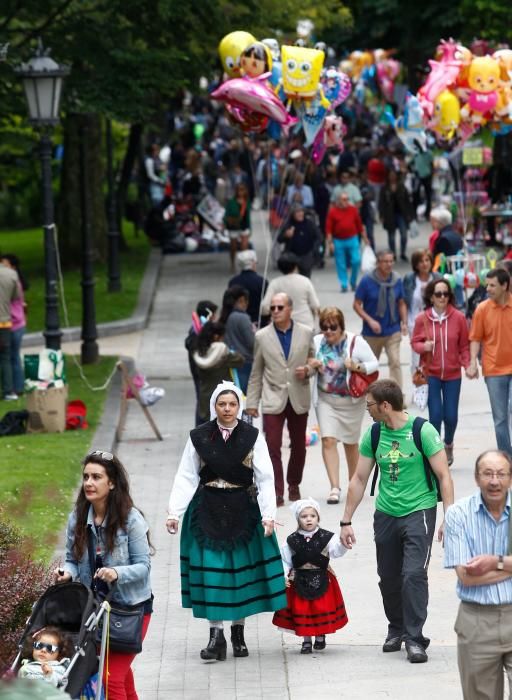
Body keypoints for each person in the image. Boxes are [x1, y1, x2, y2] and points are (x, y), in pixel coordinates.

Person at [166, 382, 287, 661]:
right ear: (214, 407)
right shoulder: (199, 436)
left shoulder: (251, 436)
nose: (228, 409)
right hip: (207, 508)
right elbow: (186, 474)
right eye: (222, 404)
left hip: (243, 509)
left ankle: (238, 633)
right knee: (212, 573)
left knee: (240, 573)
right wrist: (174, 511)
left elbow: (266, 477)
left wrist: (269, 514)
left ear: (239, 407)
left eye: (232, 404)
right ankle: (215, 636)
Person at [340, 379, 454, 664]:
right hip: (386, 513)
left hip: (419, 511)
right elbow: (359, 478)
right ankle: (397, 628)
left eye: (370, 405)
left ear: (385, 405)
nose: (367, 410)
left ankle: (415, 639)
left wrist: (448, 516)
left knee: (413, 575)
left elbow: (444, 476)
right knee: (389, 577)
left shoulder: (422, 431)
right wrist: (345, 520)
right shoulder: (374, 434)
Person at [53, 450, 153, 699]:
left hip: (130, 610)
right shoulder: (77, 518)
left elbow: (143, 567)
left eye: (96, 477)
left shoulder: (131, 520)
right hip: (96, 612)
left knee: (111, 676)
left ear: (111, 483)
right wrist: (67, 573)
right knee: (121, 675)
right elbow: (72, 560)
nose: (88, 482)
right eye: (86, 476)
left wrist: (116, 573)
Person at [444, 450, 512, 699]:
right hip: (477, 620)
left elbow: (481, 571)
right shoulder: (459, 514)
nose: (495, 481)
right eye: (488, 474)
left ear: (510, 478)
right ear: (476, 478)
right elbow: (466, 576)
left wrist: (496, 561)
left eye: (501, 474)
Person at [246, 293, 315, 506]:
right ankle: (276, 491)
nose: (275, 311)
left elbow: (314, 358)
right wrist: (251, 403)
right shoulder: (262, 336)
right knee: (272, 446)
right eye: (272, 308)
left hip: (298, 394)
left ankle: (294, 483)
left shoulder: (305, 332)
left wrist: (309, 369)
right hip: (272, 397)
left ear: (290, 309)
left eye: (279, 307)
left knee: (299, 446)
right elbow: (256, 371)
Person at [310, 306, 378, 504]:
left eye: (332, 327)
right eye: (324, 327)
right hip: (326, 400)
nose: (328, 331)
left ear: (341, 327)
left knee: (350, 443)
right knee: (328, 440)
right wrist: (313, 364)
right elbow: (308, 360)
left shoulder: (355, 342)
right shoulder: (317, 342)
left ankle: (353, 483)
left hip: (351, 402)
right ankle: (334, 487)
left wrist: (356, 366)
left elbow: (374, 363)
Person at [272, 498, 348, 653]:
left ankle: (320, 636)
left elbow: (335, 552)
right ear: (298, 519)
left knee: (320, 608)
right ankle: (306, 641)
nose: (308, 519)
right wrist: (284, 575)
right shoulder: (291, 540)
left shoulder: (327, 537)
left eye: (312, 516)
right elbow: (286, 560)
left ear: (318, 518)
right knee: (303, 611)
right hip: (299, 580)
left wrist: (343, 545)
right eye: (304, 516)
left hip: (322, 578)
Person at [411, 279, 470, 466]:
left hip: (453, 374)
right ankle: (435, 452)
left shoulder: (459, 318)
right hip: (432, 374)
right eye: (438, 294)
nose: (442, 297)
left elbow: (464, 346)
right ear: (431, 296)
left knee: (451, 416)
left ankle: (449, 443)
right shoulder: (422, 319)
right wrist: (424, 346)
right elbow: (414, 342)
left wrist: (468, 364)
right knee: (435, 416)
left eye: (446, 293)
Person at [467, 268, 512, 455]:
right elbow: (476, 338)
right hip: (493, 370)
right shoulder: (482, 309)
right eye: (487, 284)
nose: (488, 289)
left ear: (505, 285)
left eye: (493, 285)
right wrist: (472, 363)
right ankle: (507, 459)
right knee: (500, 418)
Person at [354, 250, 408, 389]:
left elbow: (401, 303)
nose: (389, 264)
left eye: (391, 261)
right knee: (371, 364)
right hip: (372, 333)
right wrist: (370, 320)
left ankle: (397, 396)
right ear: (378, 263)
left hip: (392, 329)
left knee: (395, 362)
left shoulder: (396, 280)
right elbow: (356, 305)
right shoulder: (367, 281)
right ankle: (368, 393)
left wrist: (404, 323)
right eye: (385, 261)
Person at [192, 321, 245, 424]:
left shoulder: (198, 352)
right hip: (223, 399)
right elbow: (240, 360)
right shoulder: (222, 352)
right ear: (216, 336)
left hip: (205, 400)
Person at [260, 253, 320, 331]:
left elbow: (264, 307)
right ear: (296, 266)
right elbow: (315, 305)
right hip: (305, 324)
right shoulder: (305, 281)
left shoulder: (275, 283)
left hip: (281, 326)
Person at [403, 250, 441, 371]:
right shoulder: (409, 278)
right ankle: (418, 383)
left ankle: (434, 380)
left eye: (427, 260)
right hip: (414, 322)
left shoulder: (437, 278)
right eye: (420, 261)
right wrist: (404, 322)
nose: (424, 264)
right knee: (417, 355)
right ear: (415, 265)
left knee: (436, 353)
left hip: (435, 321)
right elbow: (403, 301)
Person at [185, 300, 218, 426]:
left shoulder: (196, 331)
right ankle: (200, 432)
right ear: (208, 315)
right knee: (203, 403)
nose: (216, 318)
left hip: (199, 374)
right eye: (214, 315)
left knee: (202, 401)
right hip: (201, 374)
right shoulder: (197, 333)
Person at [220, 286, 255, 394]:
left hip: (230, 363)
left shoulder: (225, 316)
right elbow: (252, 343)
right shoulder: (242, 318)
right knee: (242, 398)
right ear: (241, 300)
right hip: (244, 363)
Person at [1, 255, 27, 396]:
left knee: (8, 357)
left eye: (5, 265)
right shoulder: (16, 280)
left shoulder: (9, 280)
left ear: (13, 267)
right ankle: (18, 387)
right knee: (13, 356)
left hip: (11, 323)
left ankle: (11, 388)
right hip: (18, 323)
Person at [378, 170, 414, 261]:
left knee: (404, 235)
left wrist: (410, 214)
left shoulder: (401, 187)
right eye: (391, 175)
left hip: (401, 213)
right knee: (391, 236)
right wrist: (381, 215)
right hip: (389, 215)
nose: (392, 177)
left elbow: (407, 201)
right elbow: (381, 202)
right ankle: (393, 253)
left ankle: (402, 253)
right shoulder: (384, 188)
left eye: (394, 175)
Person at [278, 204, 321, 278]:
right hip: (292, 256)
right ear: (293, 214)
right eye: (297, 212)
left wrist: (314, 250)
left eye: (301, 211)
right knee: (292, 278)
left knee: (306, 278)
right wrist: (286, 235)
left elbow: (319, 237)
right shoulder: (288, 224)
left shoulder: (309, 223)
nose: (300, 214)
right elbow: (279, 239)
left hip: (306, 255)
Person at [228, 250, 268, 325]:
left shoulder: (233, 282)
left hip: (239, 321)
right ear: (253, 263)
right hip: (259, 321)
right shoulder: (262, 281)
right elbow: (266, 304)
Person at [0, 260, 19, 400]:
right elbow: (15, 297)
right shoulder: (11, 274)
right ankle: (8, 391)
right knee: (5, 357)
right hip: (4, 321)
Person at [224, 183, 251, 272]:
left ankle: (245, 266)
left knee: (244, 246)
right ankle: (232, 264)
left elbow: (248, 216)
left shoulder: (247, 201)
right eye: (239, 189)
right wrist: (224, 223)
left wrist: (250, 228)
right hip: (234, 226)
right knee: (233, 247)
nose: (241, 192)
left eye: (242, 189)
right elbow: (226, 214)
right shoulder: (231, 202)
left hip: (244, 225)